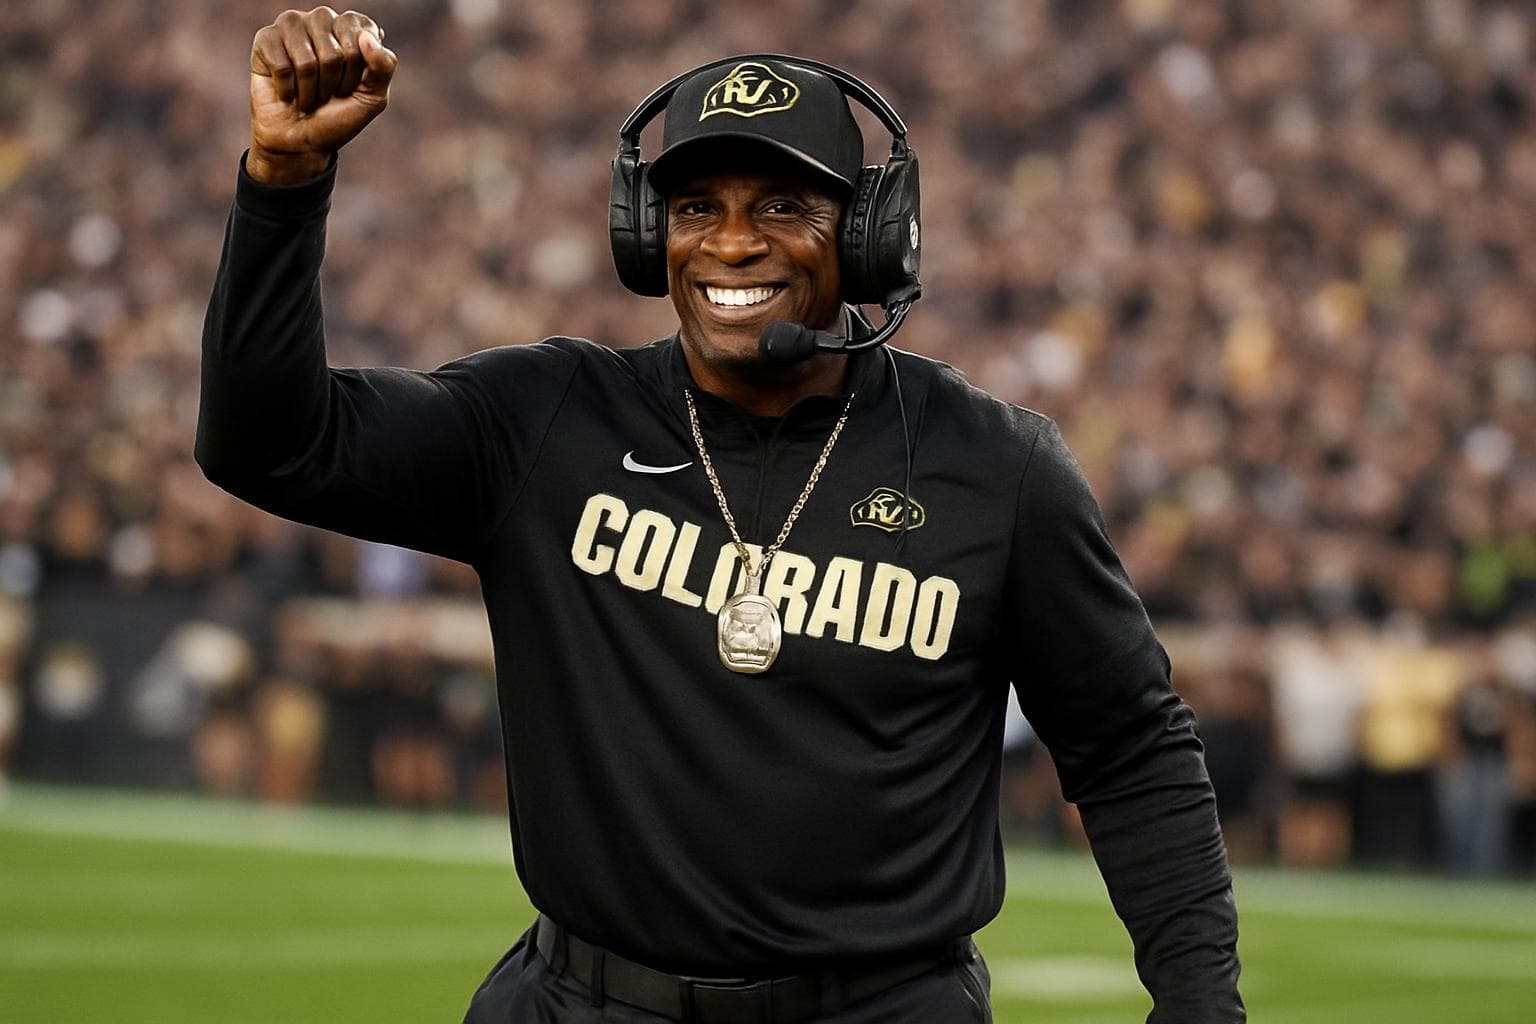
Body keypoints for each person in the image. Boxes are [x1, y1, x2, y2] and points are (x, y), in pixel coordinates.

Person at [198, 7, 1244, 1022]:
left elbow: (1131, 749)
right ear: (645, 234)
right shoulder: (545, 421)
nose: (732, 243)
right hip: (580, 1001)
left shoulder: (997, 467)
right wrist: (284, 184)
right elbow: (267, 444)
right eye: (697, 207)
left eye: (785, 206)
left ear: (874, 236)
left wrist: (1201, 1005)